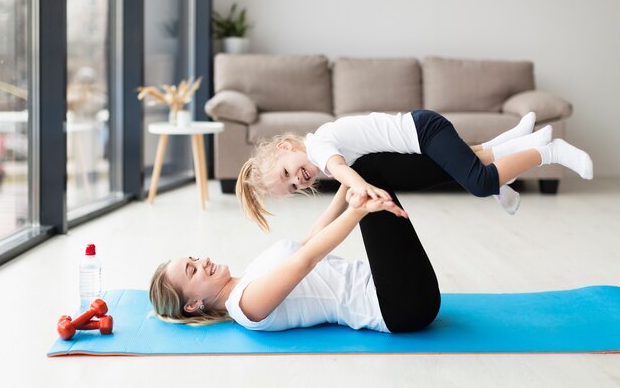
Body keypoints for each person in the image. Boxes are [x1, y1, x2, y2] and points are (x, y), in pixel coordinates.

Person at [150, 153, 456, 333]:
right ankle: (477, 174)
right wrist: (358, 209)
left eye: (193, 258)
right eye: (192, 271)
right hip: (398, 305)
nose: (201, 260)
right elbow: (305, 259)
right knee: (372, 169)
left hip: (396, 288)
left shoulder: (249, 276)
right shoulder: (245, 306)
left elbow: (311, 238)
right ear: (193, 305)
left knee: (364, 165)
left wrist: (350, 179)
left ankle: (477, 170)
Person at [236, 110, 593, 231]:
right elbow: (339, 198)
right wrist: (308, 240)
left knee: (480, 183)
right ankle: (515, 139)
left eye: (287, 174)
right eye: (293, 188)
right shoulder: (320, 153)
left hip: (425, 131)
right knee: (468, 165)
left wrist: (365, 189)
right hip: (417, 141)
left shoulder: (320, 146)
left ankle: (549, 152)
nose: (298, 181)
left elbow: (344, 174)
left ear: (286, 147)